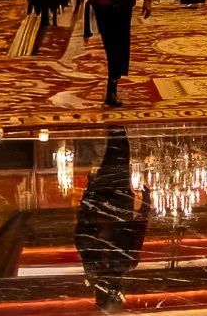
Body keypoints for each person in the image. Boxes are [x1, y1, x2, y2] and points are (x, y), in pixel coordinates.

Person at [74, 126, 146, 312]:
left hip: (110, 196)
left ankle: (114, 122)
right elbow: (80, 231)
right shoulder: (99, 265)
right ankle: (112, 122)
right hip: (107, 196)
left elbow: (139, 226)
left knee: (117, 150)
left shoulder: (120, 263)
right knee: (115, 150)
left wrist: (146, 203)